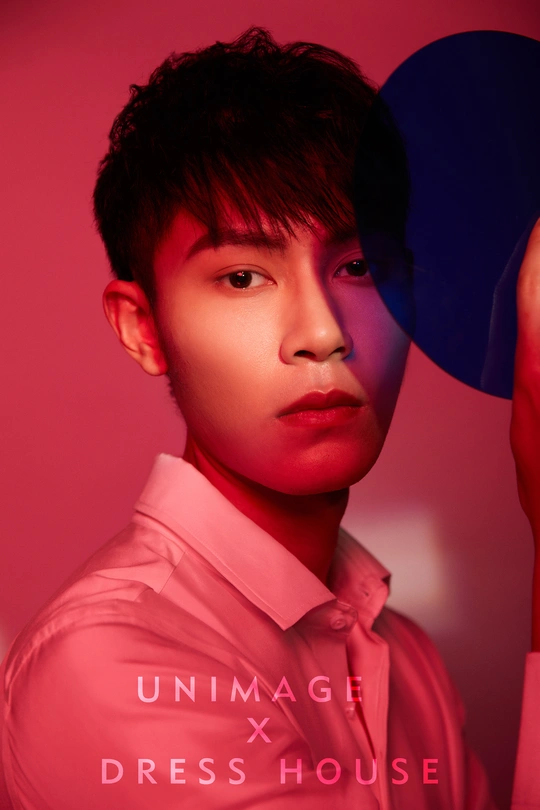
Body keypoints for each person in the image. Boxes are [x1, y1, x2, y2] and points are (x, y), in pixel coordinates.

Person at [0, 26, 538, 810]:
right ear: (144, 329)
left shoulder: (408, 658)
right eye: (244, 277)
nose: (321, 333)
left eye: (359, 266)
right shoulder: (108, 661)